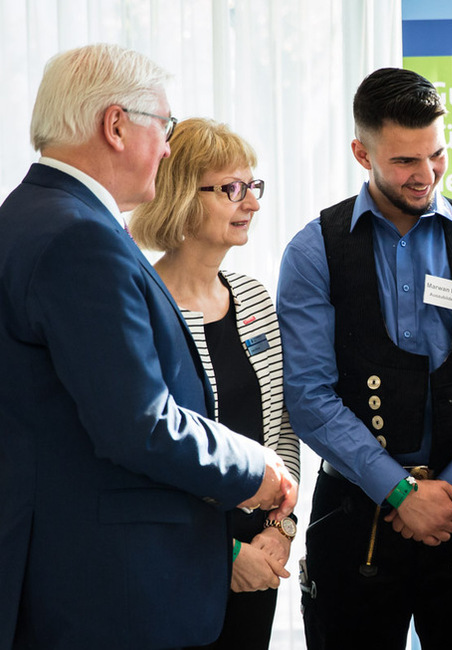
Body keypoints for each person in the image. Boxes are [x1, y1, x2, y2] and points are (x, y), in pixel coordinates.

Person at [0, 44, 296, 650]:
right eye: (163, 125)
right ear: (115, 126)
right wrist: (255, 470)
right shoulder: (82, 237)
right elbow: (138, 423)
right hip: (108, 592)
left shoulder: (32, 215)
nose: (167, 146)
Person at [277, 67, 452, 650]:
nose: (426, 175)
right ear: (360, 151)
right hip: (355, 515)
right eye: (404, 162)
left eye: (437, 154)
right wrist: (400, 493)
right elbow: (309, 396)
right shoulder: (311, 252)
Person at [129, 117, 301, 649]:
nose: (250, 202)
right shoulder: (142, 304)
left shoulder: (252, 296)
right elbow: (144, 452)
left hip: (261, 552)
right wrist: (224, 556)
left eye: (253, 187)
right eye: (231, 188)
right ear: (181, 195)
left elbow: (281, 426)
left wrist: (280, 529)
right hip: (178, 558)